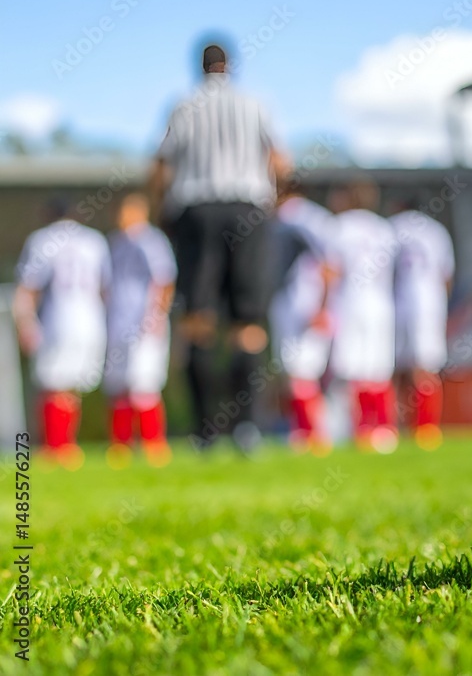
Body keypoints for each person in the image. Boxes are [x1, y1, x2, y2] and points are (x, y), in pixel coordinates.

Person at [149, 42, 287, 450]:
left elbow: (161, 166)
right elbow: (280, 161)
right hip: (247, 208)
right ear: (230, 66)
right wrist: (270, 207)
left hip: (196, 211)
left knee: (197, 320)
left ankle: (205, 431)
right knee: (247, 324)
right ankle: (245, 427)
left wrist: (162, 214)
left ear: (200, 67)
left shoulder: (182, 106)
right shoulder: (255, 103)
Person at [12, 199, 111, 468]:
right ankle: (66, 445)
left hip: (58, 319)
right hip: (92, 320)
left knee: (53, 383)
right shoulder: (95, 241)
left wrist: (25, 323)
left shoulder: (41, 239)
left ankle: (57, 447)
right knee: (72, 386)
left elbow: (27, 287)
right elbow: (106, 289)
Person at [104, 193, 177, 467]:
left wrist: (156, 317)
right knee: (118, 384)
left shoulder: (151, 240)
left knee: (143, 383)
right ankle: (121, 445)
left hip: (144, 325)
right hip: (118, 323)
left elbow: (164, 279)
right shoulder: (115, 243)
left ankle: (153, 443)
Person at [327, 180, 398, 453]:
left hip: (350, 302)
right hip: (380, 302)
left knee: (353, 369)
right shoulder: (384, 228)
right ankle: (383, 429)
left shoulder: (339, 227)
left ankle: (361, 430)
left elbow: (332, 270)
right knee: (378, 369)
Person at [270, 179, 338, 452]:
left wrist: (323, 306)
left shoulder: (299, 218)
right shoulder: (296, 218)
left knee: (301, 371)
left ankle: (313, 435)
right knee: (294, 371)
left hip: (303, 304)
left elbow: (330, 266)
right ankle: (303, 432)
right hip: (293, 302)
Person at [390, 199, 455, 450]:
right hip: (430, 303)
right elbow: (445, 275)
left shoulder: (392, 227)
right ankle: (426, 428)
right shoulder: (436, 231)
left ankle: (392, 427)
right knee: (425, 368)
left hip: (397, 303)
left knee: (395, 369)